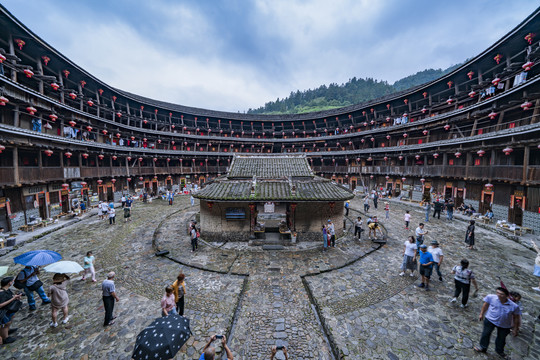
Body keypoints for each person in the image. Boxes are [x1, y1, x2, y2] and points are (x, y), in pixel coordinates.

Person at [474, 287, 521, 358]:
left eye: (501, 294)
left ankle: (500, 351)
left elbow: (516, 318)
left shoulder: (514, 306)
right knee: (485, 334)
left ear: (506, 295)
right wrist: (481, 314)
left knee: (501, 339)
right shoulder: (491, 297)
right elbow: (485, 305)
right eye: (497, 293)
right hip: (490, 320)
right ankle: (483, 347)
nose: (498, 295)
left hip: (504, 325)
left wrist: (515, 329)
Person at [0, 277, 22, 345]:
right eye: (12, 281)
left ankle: (7, 331)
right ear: (9, 283)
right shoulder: (2, 293)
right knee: (5, 324)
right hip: (3, 312)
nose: (12, 282)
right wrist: (13, 298)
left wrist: (16, 296)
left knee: (9, 322)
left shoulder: (6, 290)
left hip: (9, 310)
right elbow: (0, 305)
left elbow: (10, 297)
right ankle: (5, 338)